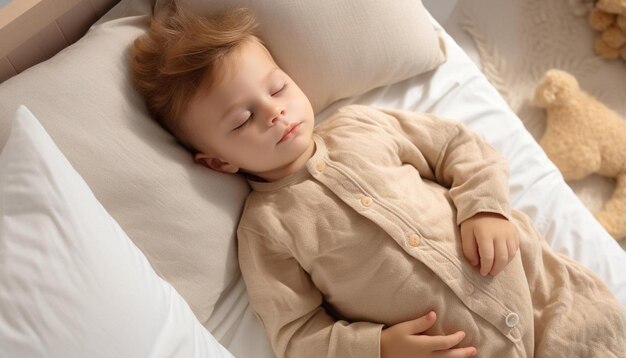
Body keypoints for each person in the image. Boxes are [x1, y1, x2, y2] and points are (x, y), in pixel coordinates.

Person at [131, 6, 626, 358]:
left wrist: (485, 207)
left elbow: (460, 146)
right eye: (243, 121)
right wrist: (379, 347)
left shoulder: (359, 126)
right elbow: (296, 335)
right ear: (218, 163)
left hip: (544, 297)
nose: (276, 113)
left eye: (278, 87)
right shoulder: (266, 231)